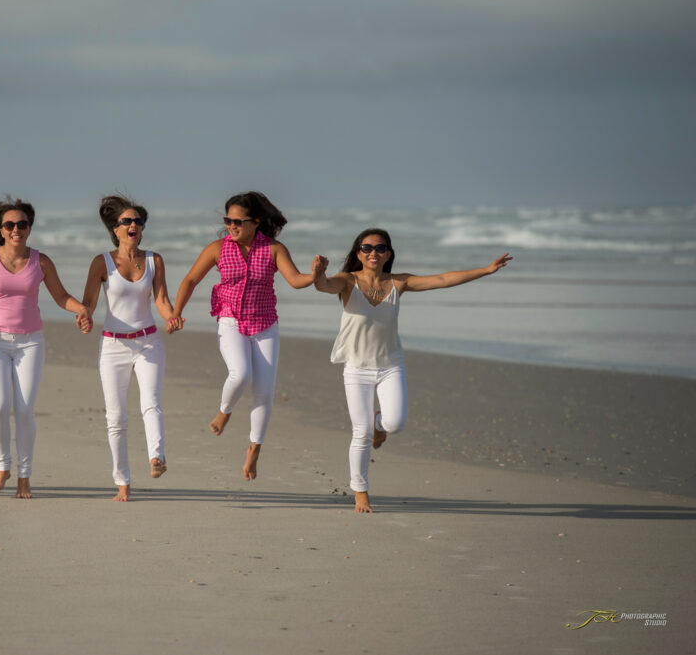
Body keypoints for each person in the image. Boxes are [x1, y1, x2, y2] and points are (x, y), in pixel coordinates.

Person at [312, 228, 511, 512]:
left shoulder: (398, 282)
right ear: (358, 253)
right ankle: (361, 493)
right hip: (356, 369)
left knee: (396, 424)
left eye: (380, 248)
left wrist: (486, 270)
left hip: (391, 365)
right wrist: (318, 273)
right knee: (361, 433)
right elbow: (323, 286)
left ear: (388, 254)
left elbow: (442, 279)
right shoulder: (347, 281)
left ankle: (380, 423)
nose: (373, 253)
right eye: (367, 248)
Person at [0, 197, 90, 498]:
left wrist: (82, 310)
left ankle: (24, 477)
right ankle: (3, 467)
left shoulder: (41, 261)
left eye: (22, 224)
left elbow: (61, 296)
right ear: (1, 229)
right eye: (10, 225)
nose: (16, 230)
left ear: (30, 228)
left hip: (30, 343)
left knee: (24, 411)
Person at [171, 191, 316, 481]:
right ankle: (225, 411)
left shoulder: (274, 249)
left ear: (256, 222)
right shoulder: (217, 248)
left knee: (265, 391)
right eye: (228, 220)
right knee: (239, 374)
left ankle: (254, 450)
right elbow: (189, 280)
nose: (232, 226)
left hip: (265, 324)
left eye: (239, 221)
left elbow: (296, 280)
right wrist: (175, 313)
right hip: (231, 320)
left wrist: (315, 275)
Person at [79, 195, 182, 501]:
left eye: (138, 221)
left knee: (151, 402)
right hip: (113, 346)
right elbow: (89, 304)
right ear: (115, 228)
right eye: (127, 221)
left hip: (149, 342)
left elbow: (162, 301)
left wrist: (172, 318)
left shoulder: (154, 260)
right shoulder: (102, 262)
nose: (134, 225)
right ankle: (122, 481)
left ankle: (156, 458)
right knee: (116, 418)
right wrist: (83, 318)